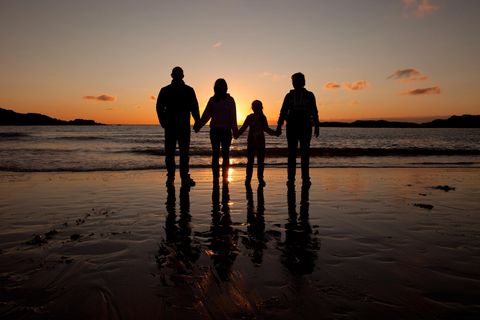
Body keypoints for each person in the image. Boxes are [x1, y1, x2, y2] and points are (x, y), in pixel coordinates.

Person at [156, 66, 200, 187]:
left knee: (172, 153)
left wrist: (163, 121)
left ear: (172, 76)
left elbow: (194, 107)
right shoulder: (186, 90)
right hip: (177, 126)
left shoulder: (168, 90)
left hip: (174, 126)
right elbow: (194, 108)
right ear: (182, 76)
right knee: (181, 153)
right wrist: (197, 122)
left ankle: (173, 177)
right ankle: (180, 177)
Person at [276, 72, 320, 187]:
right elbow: (283, 111)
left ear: (303, 82)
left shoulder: (310, 95)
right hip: (292, 128)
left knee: (305, 154)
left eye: (298, 81)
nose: (295, 83)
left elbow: (314, 111)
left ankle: (305, 178)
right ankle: (291, 178)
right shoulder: (289, 96)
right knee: (291, 154)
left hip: (306, 127)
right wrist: (279, 125)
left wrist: (317, 126)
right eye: (294, 81)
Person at [194, 79, 238, 185]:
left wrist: (235, 130)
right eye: (220, 86)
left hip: (226, 131)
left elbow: (233, 117)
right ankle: (216, 177)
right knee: (216, 154)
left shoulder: (230, 100)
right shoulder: (212, 100)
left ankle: (225, 176)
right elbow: (206, 115)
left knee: (225, 154)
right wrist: (199, 125)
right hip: (215, 131)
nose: (221, 88)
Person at [238, 100, 278, 187]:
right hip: (254, 142)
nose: (255, 108)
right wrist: (237, 134)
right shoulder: (251, 117)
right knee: (255, 162)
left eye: (256, 107)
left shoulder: (260, 118)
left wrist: (275, 133)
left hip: (258, 142)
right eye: (254, 107)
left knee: (256, 162)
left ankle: (256, 179)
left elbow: (266, 129)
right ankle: (251, 179)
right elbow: (243, 128)